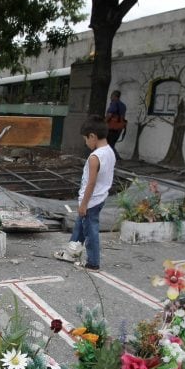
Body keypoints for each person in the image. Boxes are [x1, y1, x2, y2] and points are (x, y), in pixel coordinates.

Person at [54, 115, 116, 272]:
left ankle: (93, 263)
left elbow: (91, 183)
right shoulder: (109, 151)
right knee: (79, 226)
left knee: (90, 231)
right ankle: (70, 253)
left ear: (92, 136)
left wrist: (83, 205)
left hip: (91, 201)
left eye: (86, 139)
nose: (86, 143)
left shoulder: (95, 157)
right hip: (100, 198)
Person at [104, 90, 126, 161]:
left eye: (111, 95)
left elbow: (110, 115)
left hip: (112, 127)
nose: (110, 97)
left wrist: (104, 122)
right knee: (111, 144)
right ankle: (113, 158)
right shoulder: (123, 105)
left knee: (108, 144)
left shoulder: (114, 104)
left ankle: (117, 158)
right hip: (119, 128)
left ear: (115, 96)